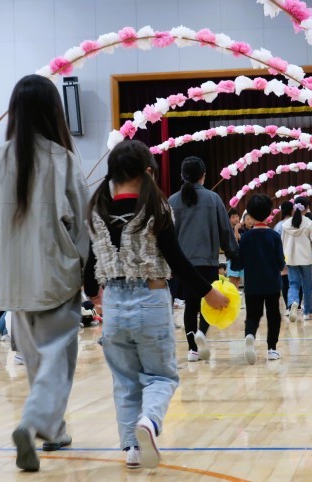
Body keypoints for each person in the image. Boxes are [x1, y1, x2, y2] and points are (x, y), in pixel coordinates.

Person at [84, 140, 228, 470]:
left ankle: (133, 449)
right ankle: (149, 421)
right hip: (151, 299)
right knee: (161, 377)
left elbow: (90, 263)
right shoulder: (156, 208)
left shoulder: (97, 211)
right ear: (148, 171)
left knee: (125, 381)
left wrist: (93, 293)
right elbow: (176, 259)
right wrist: (208, 292)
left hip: (114, 304)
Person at [0, 74, 90, 472]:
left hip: (14, 279)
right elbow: (82, 224)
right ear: (52, 111)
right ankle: (32, 422)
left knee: (36, 360)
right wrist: (85, 272)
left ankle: (54, 430)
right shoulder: (64, 159)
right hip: (58, 274)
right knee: (57, 359)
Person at [168, 156, 238, 362]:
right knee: (207, 303)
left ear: (182, 176)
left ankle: (192, 349)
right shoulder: (213, 199)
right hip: (207, 262)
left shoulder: (172, 201)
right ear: (203, 176)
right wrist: (232, 253)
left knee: (190, 306)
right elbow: (225, 230)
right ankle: (201, 334)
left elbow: (167, 235)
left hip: (182, 264)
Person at [230, 194, 284, 363]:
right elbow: (281, 263)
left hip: (252, 284)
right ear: (269, 214)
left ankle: (250, 336)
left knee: (253, 315)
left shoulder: (245, 237)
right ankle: (272, 349)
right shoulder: (274, 236)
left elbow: (238, 264)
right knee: (273, 315)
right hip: (272, 283)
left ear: (250, 215)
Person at [281, 197, 312, 322]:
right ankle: (307, 312)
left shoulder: (285, 224)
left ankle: (293, 303)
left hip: (291, 259)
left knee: (293, 284)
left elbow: (282, 242)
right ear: (307, 208)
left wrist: (283, 257)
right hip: (306, 259)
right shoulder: (310, 224)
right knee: (307, 285)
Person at [274, 201, 293, 315]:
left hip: (283, 256)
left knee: (285, 282)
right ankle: (297, 305)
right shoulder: (297, 222)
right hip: (296, 256)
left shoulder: (278, 226)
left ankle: (288, 307)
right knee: (296, 281)